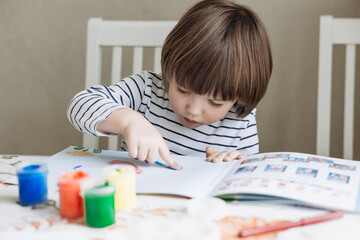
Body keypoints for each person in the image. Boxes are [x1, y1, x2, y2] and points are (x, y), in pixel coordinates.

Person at [67, 0, 272, 170]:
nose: (193, 109)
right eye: (183, 89)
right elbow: (79, 105)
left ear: (239, 96)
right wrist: (128, 120)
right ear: (169, 69)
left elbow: (248, 176)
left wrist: (229, 164)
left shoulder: (240, 120)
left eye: (216, 102)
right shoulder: (146, 89)